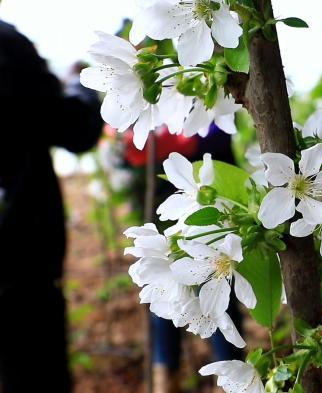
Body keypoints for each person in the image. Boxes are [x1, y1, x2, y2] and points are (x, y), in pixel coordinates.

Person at [0, 21, 103, 392]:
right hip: (21, 257)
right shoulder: (6, 43)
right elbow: (74, 127)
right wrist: (81, 83)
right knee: (32, 371)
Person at [120, 124, 242, 393]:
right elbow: (129, 155)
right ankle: (165, 379)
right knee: (165, 306)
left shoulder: (201, 98)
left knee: (221, 300)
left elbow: (218, 136)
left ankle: (231, 378)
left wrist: (177, 141)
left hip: (216, 218)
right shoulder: (151, 111)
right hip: (169, 223)